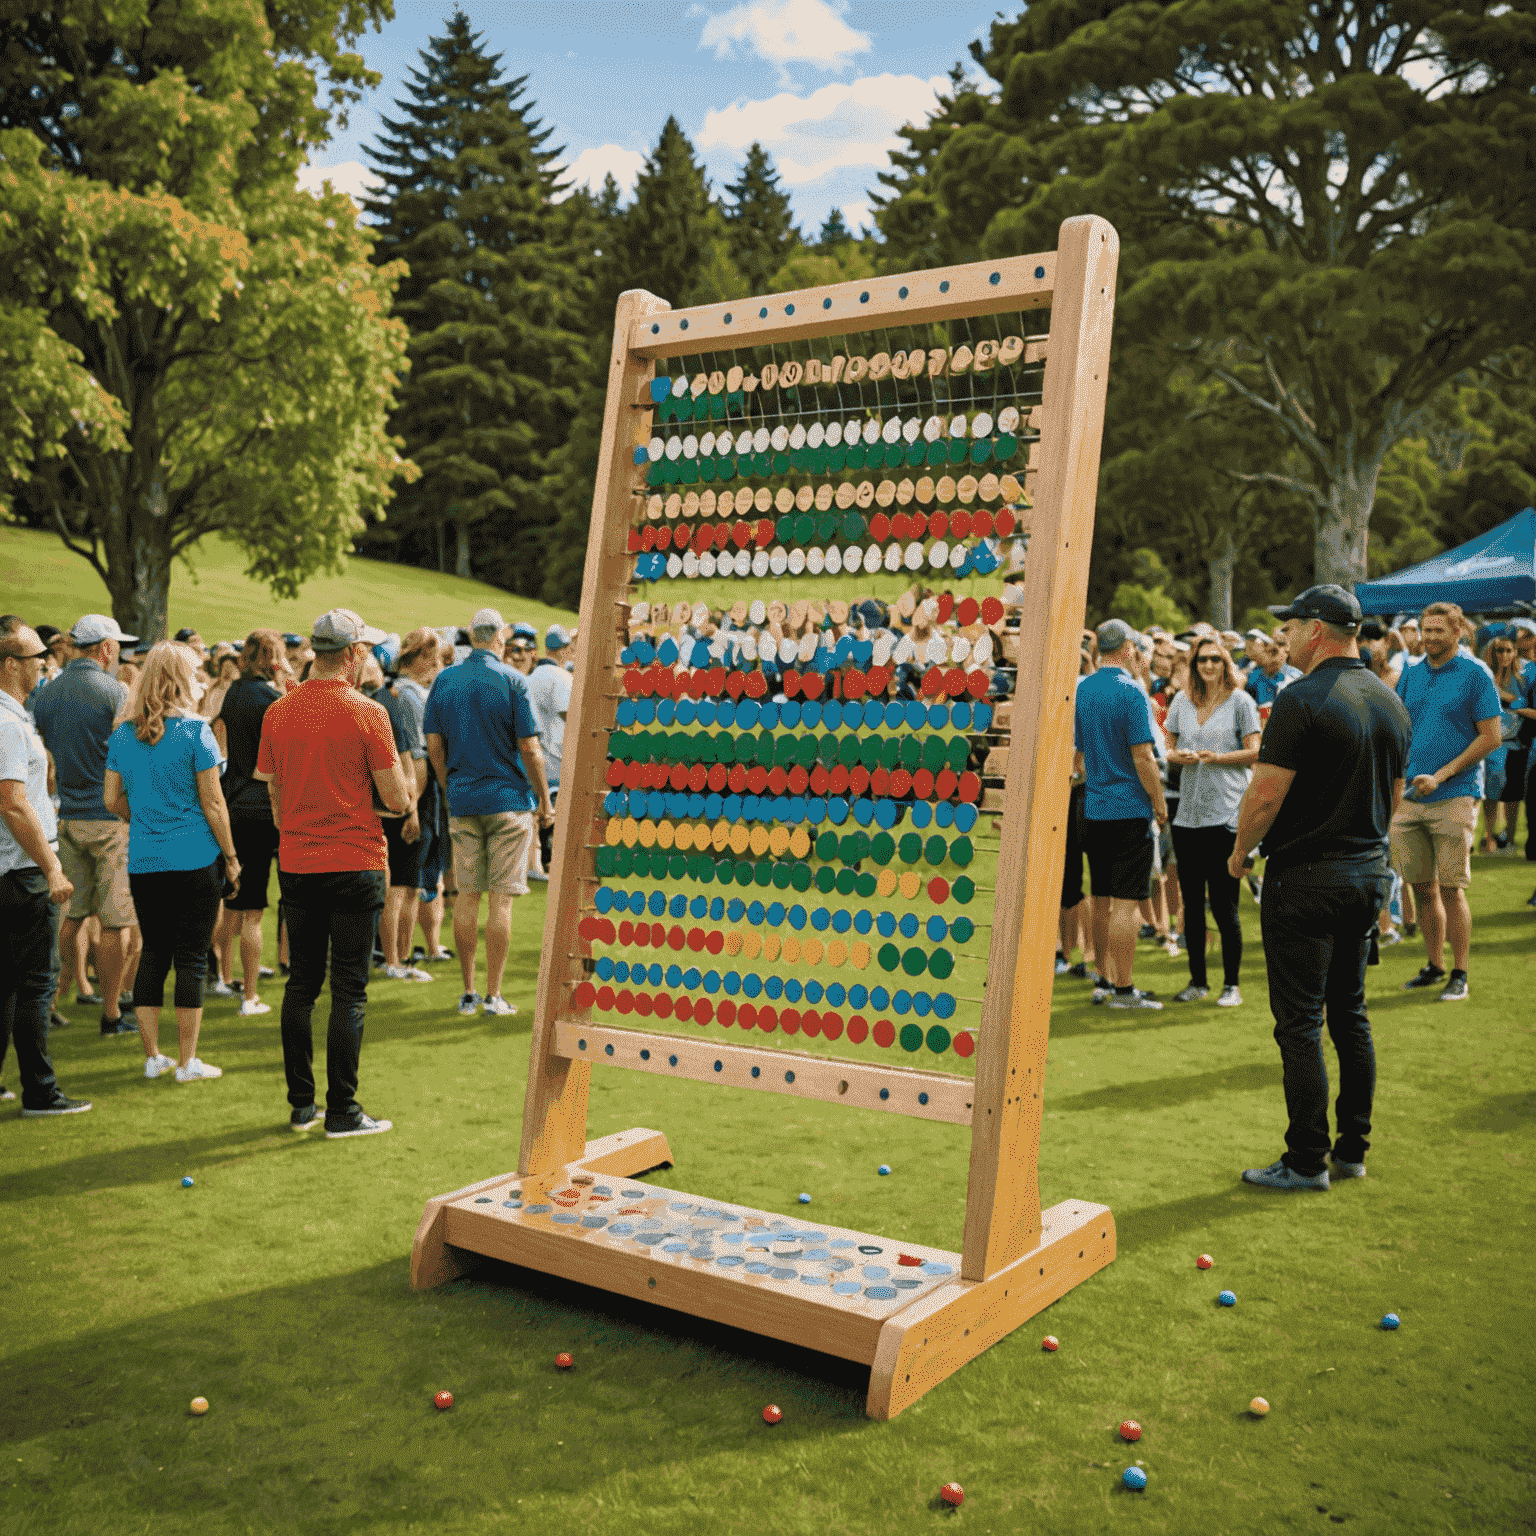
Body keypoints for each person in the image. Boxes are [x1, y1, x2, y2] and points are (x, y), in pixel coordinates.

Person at [1226, 585, 1410, 1190]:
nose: (1284, 635)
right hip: (1367, 873)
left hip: (1307, 877)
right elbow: (1394, 794)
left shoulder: (1302, 699)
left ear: (1317, 631)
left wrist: (1238, 851)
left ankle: (1307, 1159)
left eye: (1293, 624)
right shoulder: (1389, 700)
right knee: (1349, 1014)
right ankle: (1351, 1150)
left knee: (1301, 1023)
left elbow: (1266, 793)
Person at [255, 608, 413, 1137]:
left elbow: (274, 793)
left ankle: (303, 1105)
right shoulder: (367, 712)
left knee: (301, 984)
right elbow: (395, 796)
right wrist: (400, 797)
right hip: (355, 859)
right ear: (349, 654)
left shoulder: (280, 711)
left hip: (299, 861)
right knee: (349, 990)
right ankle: (342, 1110)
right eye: (363, 649)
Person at [103, 642, 237, 1082]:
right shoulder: (196, 731)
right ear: (184, 679)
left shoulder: (123, 734)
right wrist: (232, 857)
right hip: (196, 858)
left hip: (146, 859)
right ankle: (187, 1060)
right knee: (192, 957)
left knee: (154, 954)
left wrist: (144, 817)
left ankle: (152, 1056)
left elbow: (111, 799)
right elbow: (214, 803)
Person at [424, 607, 555, 1018]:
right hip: (508, 802)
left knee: (467, 896)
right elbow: (531, 748)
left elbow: (434, 745)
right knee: (500, 901)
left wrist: (450, 785)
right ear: (499, 637)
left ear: (470, 635)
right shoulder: (513, 679)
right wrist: (546, 802)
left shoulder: (446, 679)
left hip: (464, 801)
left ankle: (468, 991)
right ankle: (494, 994)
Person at [31, 613, 142, 1037]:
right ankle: (112, 1012)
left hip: (67, 816)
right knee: (115, 921)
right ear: (107, 648)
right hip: (110, 818)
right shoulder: (114, 691)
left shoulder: (49, 692)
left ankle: (53, 997)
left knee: (73, 915)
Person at [1389, 601, 1501, 1002]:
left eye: (1439, 630)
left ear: (1458, 633)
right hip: (1408, 797)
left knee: (1451, 889)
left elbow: (1491, 736)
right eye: (1425, 629)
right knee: (1420, 887)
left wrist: (1441, 775)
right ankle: (1435, 965)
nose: (1430, 637)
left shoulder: (1475, 674)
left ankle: (1460, 972)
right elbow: (1400, 728)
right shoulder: (1412, 675)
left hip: (1454, 794)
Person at [0, 623, 91, 1116]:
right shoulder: (8, 723)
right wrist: (52, 867)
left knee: (7, 984)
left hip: (10, 869)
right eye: (38, 654)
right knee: (37, 982)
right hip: (20, 871)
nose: (46, 662)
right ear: (10, 663)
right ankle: (40, 1091)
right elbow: (12, 804)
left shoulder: (15, 717)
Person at [1072, 618, 1169, 1010]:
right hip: (1128, 807)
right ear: (1128, 648)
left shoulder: (1084, 690)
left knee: (1101, 897)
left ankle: (1104, 980)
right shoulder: (1132, 692)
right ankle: (1124, 990)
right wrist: (1160, 804)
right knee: (1126, 903)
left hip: (1093, 806)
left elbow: (1078, 759)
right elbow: (1143, 757)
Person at [1165, 636, 1262, 1006]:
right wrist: (1181, 757)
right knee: (1190, 903)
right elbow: (1167, 748)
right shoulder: (1181, 701)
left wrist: (1218, 758)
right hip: (1187, 816)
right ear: (1193, 665)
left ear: (1225, 664)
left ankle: (1232, 985)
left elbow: (1256, 752)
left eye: (1215, 660)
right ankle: (1197, 981)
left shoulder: (1241, 701)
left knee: (1224, 905)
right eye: (1202, 660)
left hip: (1225, 815)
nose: (1208, 666)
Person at [211, 629, 289, 1016]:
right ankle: (250, 995)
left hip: (231, 798)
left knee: (232, 899)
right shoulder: (272, 698)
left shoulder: (233, 693)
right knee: (254, 908)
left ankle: (225, 977)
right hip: (261, 804)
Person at [360, 654, 432, 983]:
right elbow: (407, 763)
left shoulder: (360, 704)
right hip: (395, 807)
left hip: (373, 806)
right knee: (401, 887)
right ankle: (395, 958)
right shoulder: (388, 703)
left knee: (398, 887)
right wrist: (413, 811)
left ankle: (394, 956)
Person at [392, 627, 451, 966]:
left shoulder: (401, 692)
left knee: (418, 880)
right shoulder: (412, 698)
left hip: (413, 796)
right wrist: (413, 807)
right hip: (419, 796)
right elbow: (420, 759)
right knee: (410, 884)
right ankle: (401, 956)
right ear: (426, 659)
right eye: (438, 660)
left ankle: (410, 951)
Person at [524, 625, 575, 879]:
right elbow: (573, 718)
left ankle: (538, 862)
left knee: (537, 812)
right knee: (554, 812)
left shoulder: (531, 676)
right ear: (566, 650)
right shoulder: (561, 678)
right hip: (555, 756)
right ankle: (549, 863)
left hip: (533, 753)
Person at [1480, 633, 1524, 851]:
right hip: (1491, 743)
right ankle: (1489, 836)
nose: (1505, 655)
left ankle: (1511, 836)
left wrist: (1507, 698)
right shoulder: (1485, 677)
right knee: (1491, 789)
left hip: (1515, 742)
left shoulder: (1521, 680)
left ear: (1515, 653)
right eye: (1500, 650)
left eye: (1509, 650)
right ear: (1493, 653)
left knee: (1514, 794)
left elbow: (1520, 703)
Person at [1244, 636, 1301, 706]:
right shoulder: (1254, 675)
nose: (1270, 655)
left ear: (1286, 652)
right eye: (1267, 651)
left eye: (1274, 652)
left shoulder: (1296, 677)